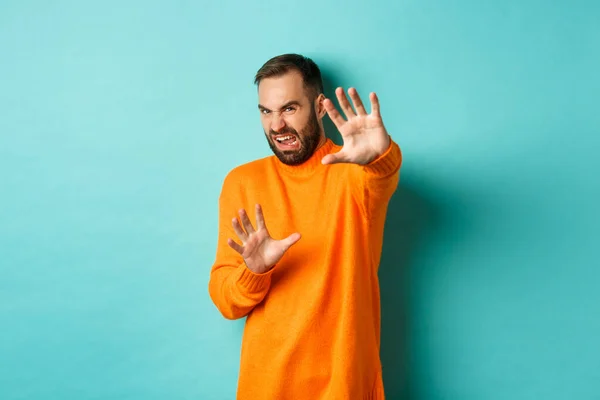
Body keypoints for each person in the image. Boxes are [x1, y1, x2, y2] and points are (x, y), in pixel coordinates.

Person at [208, 53, 402, 400]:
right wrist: (255, 270)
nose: (276, 125)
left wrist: (379, 155)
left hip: (344, 387)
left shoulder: (356, 175)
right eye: (266, 111)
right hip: (266, 388)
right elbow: (226, 301)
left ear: (321, 107)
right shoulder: (242, 182)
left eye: (289, 109)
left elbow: (383, 175)